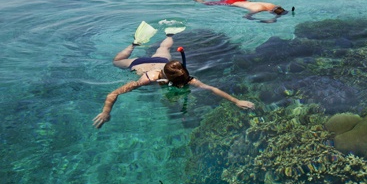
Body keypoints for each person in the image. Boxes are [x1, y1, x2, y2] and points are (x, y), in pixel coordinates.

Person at [93, 31, 255, 129]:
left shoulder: (179, 74)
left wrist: (236, 101)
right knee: (117, 61)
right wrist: (106, 112)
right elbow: (113, 94)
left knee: (164, 49)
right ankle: (134, 44)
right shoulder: (147, 79)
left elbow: (211, 88)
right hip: (141, 65)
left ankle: (169, 34)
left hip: (162, 62)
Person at [185, 0, 292, 23]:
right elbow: (246, 16)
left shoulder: (272, 4)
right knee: (205, 3)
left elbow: (278, 12)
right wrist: (264, 21)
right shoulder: (258, 9)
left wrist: (275, 18)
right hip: (232, 3)